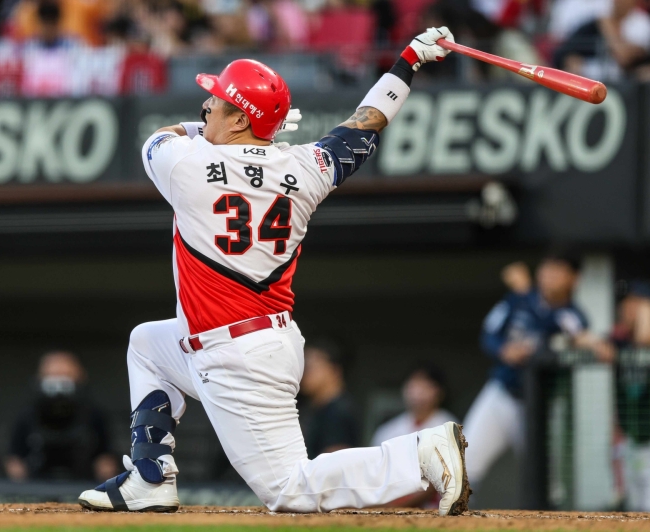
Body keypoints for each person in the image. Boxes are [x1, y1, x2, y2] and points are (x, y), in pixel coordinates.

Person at [78, 26, 471, 516]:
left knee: (289, 490)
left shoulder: (185, 164)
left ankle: (420, 455)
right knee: (147, 343)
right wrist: (407, 62)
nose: (206, 107)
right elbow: (366, 124)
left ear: (240, 119)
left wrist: (214, 131)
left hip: (236, 355)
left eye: (217, 102)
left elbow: (161, 137)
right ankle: (150, 476)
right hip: (260, 340)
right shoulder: (307, 167)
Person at [462, 251, 614, 488]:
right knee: (465, 461)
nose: (550, 275)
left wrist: (596, 343)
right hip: (502, 394)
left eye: (558, 270)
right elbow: (488, 335)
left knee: (545, 479)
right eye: (547, 268)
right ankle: (453, 511)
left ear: (574, 278)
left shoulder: (569, 313)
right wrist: (504, 349)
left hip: (540, 406)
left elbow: (576, 332)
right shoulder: (516, 300)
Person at [5, 350, 117, 482]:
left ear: (80, 376)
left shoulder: (93, 414)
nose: (59, 384)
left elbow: (106, 458)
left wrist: (105, 473)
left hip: (83, 483)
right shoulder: (27, 415)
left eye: (66, 375)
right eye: (53, 375)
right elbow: (14, 458)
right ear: (40, 378)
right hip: (36, 483)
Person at [370, 364, 457, 509]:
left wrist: (397, 507)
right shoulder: (387, 431)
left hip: (437, 510)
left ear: (439, 391)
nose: (418, 391)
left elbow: (440, 481)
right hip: (392, 505)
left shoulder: (448, 427)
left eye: (426, 385)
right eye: (414, 384)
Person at [613, 281, 650, 511]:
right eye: (627, 304)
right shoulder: (620, 342)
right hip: (632, 438)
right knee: (635, 506)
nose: (628, 309)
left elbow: (645, 339)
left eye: (636, 304)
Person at [299, 340, 360, 458]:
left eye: (311, 366)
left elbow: (335, 463)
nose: (304, 372)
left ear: (335, 370)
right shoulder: (311, 408)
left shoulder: (339, 412)